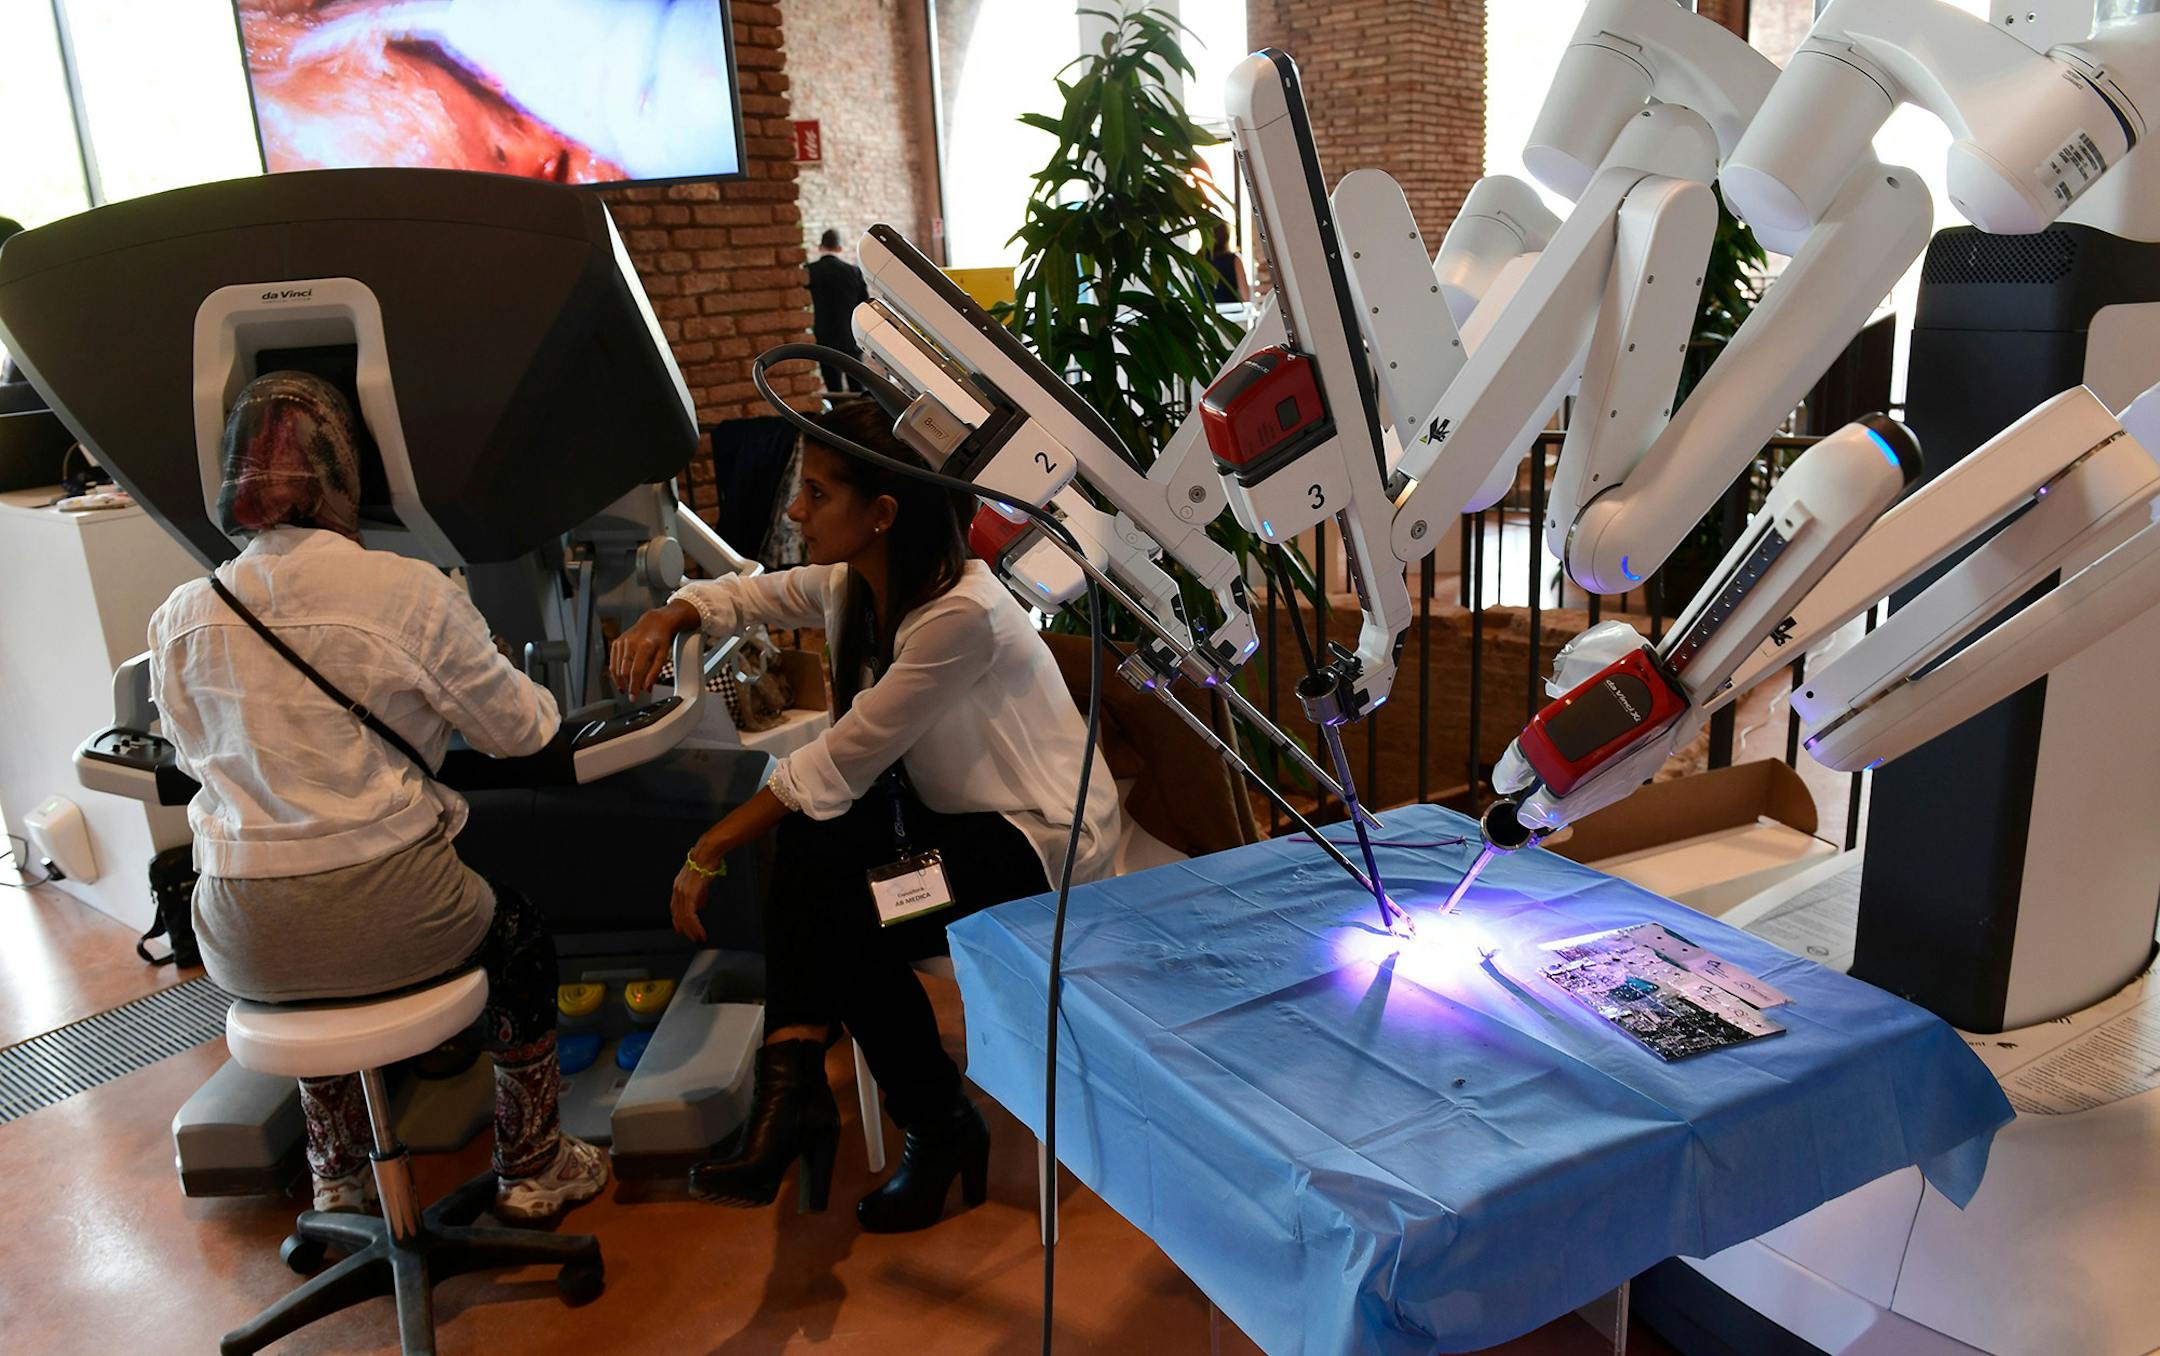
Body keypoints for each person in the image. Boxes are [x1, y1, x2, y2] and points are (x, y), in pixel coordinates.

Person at [610, 399, 1122, 1232]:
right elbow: (753, 596)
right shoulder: (860, 585)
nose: (795, 511)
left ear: (882, 515)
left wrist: (708, 848)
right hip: (948, 828)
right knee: (821, 857)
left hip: (1032, 843)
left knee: (841, 906)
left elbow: (839, 756)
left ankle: (890, 1117)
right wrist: (675, 612)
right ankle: (825, 1094)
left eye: (816, 493)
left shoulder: (963, 616)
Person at [147, 371, 607, 1222]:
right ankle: (533, 1166)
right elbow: (523, 732)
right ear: (345, 470)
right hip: (390, 908)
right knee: (519, 940)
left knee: (307, 966)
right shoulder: (408, 591)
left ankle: (336, 1173)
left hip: (239, 929)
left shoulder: (180, 613)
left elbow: (188, 751)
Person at [805, 229, 871, 393]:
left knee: (834, 389)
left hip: (824, 337)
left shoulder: (810, 271)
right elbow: (864, 304)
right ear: (840, 248)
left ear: (820, 247)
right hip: (851, 337)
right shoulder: (853, 272)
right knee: (858, 389)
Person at [1208, 221, 1249, 305]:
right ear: (1226, 236)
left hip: (1206, 313)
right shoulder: (1234, 260)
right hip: (1232, 312)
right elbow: (1246, 296)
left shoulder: (1198, 258)